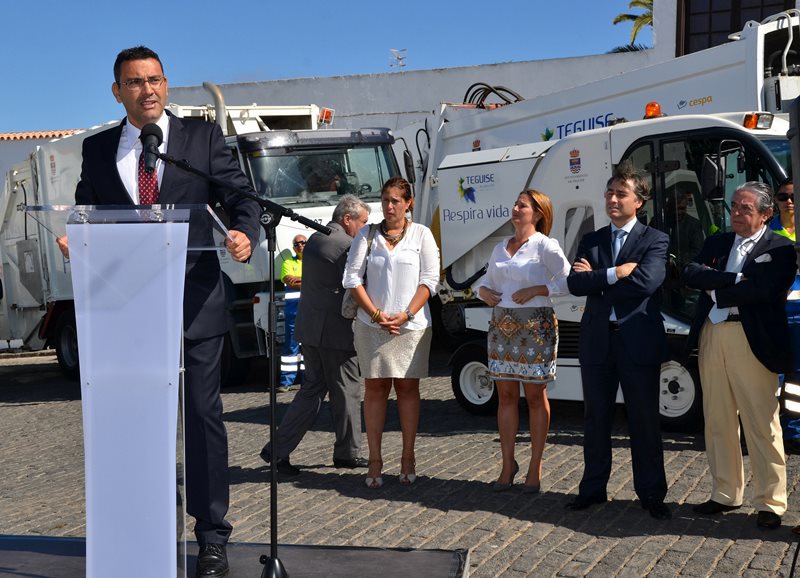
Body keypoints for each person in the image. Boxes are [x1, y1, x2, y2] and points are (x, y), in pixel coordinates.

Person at [66, 46, 260, 577]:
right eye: (135, 82)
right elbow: (88, 209)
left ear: (166, 84)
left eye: (155, 80)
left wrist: (245, 232)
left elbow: (242, 197)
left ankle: (212, 539)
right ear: (117, 91)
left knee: (201, 418)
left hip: (194, 299)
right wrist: (76, 236)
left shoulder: (201, 139)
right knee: (134, 422)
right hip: (128, 308)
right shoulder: (98, 149)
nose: (147, 90)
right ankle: (140, 529)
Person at [684, 181, 796, 530]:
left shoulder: (780, 248)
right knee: (717, 418)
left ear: (766, 214)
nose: (736, 212)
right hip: (713, 334)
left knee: (761, 422)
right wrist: (733, 278)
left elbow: (764, 289)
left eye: (745, 208)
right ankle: (725, 492)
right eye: (734, 205)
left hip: (753, 340)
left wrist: (717, 287)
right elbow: (691, 273)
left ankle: (770, 502)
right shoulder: (717, 241)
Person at [565, 163, 672, 520]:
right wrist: (614, 273)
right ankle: (593, 489)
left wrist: (597, 279)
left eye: (620, 193)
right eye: (609, 192)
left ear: (639, 201)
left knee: (643, 420)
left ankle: (652, 493)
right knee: (596, 419)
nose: (612, 199)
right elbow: (574, 285)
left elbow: (646, 283)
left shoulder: (655, 239)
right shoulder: (592, 239)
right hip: (597, 342)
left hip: (637, 341)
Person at [259, 195, 370, 474]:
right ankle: (348, 453)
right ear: (348, 219)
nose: (365, 228)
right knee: (347, 390)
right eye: (363, 222)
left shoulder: (317, 239)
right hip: (335, 331)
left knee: (311, 391)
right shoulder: (344, 244)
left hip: (311, 330)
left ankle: (277, 450)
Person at [342, 176, 439, 489]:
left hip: (411, 326)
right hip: (372, 325)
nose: (389, 205)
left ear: (408, 203)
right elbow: (352, 279)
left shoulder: (422, 234)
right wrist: (375, 313)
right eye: (385, 199)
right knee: (375, 389)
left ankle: (408, 456)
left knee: (408, 389)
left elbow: (430, 281)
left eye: (396, 200)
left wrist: (406, 313)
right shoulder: (367, 235)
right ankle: (374, 459)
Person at [477, 190, 570, 492]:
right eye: (515, 203)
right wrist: (483, 292)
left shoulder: (545, 245)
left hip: (535, 324)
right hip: (502, 325)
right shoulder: (500, 247)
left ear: (539, 213)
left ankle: (535, 466)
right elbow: (488, 282)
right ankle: (507, 464)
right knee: (505, 396)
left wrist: (538, 289)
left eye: (523, 205)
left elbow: (569, 280)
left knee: (533, 396)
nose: (516, 209)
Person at [278, 234, 306, 392]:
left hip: (310, 312)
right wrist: (309, 280)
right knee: (290, 347)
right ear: (294, 247)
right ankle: (286, 381)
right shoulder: (288, 262)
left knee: (309, 348)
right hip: (293, 313)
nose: (300, 245)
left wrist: (299, 279)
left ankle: (308, 380)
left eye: (303, 242)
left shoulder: (313, 263)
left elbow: (317, 280)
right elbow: (290, 281)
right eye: (297, 244)